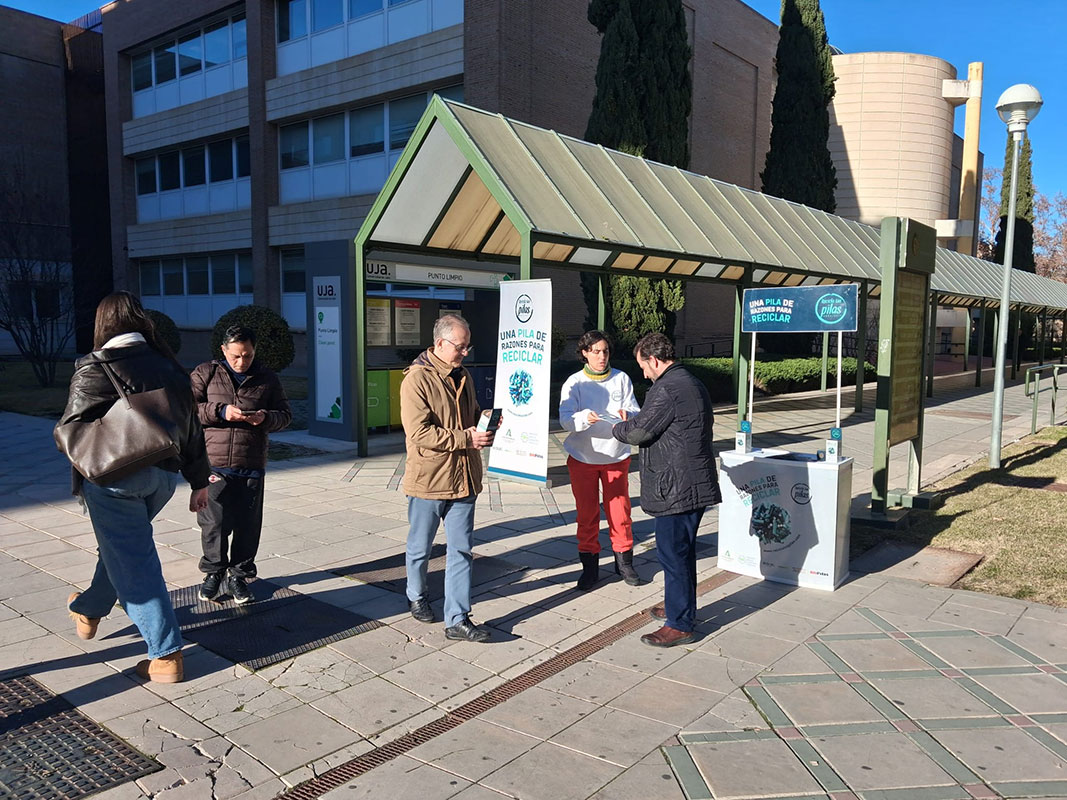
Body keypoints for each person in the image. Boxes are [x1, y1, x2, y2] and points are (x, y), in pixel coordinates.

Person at [58, 292, 211, 683]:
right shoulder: (171, 367)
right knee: (123, 548)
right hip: (163, 477)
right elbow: (192, 430)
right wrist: (198, 481)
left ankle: (166, 655)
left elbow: (69, 430)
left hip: (115, 479)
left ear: (103, 324)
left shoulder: (96, 366)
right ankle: (89, 609)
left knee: (135, 562)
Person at [612, 332, 720, 648]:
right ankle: (678, 606)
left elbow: (641, 431)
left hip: (677, 486)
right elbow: (664, 424)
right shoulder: (690, 381)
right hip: (691, 480)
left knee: (673, 555)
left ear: (655, 360)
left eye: (644, 366)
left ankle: (680, 624)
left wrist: (616, 426)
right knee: (680, 553)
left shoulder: (667, 387)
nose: (644, 373)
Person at [400, 314, 495, 642]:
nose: (465, 352)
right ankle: (416, 594)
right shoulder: (416, 379)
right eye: (460, 346)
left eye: (468, 346)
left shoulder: (463, 375)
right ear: (440, 343)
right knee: (420, 546)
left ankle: (457, 618)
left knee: (462, 550)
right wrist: (466, 438)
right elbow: (420, 432)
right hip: (429, 478)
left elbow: (469, 415)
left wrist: (484, 423)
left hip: (464, 478)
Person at [191, 325, 291, 604]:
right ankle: (213, 572)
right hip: (214, 463)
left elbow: (285, 415)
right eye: (235, 356)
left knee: (248, 525)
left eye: (246, 355)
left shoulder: (266, 378)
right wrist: (220, 411)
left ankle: (239, 575)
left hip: (251, 463)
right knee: (214, 524)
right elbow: (188, 409)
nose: (241, 361)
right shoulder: (205, 373)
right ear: (223, 350)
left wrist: (265, 418)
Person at [559, 330, 641, 590]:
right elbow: (565, 419)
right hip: (583, 456)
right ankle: (590, 566)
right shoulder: (574, 382)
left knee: (620, 511)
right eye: (595, 351)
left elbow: (636, 410)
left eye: (605, 351)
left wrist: (626, 413)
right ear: (584, 353)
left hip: (616, 455)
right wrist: (584, 418)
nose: (601, 356)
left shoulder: (621, 379)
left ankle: (624, 561)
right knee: (587, 513)